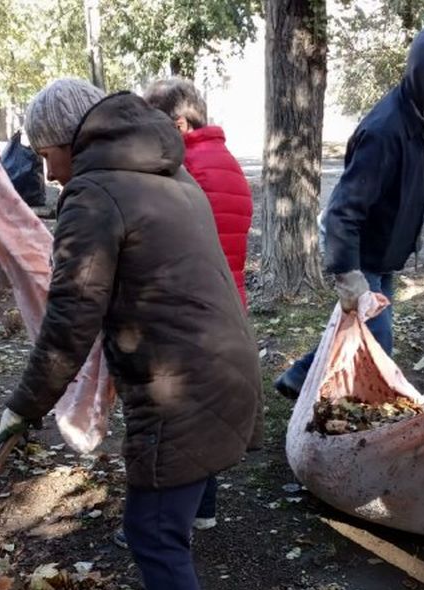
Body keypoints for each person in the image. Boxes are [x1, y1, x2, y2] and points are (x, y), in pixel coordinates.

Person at [0, 79, 262, 590]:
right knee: (165, 530)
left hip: (182, 387)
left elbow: (71, 317)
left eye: (48, 154)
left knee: (154, 535)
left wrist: (24, 407)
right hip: (225, 365)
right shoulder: (170, 171)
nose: (47, 173)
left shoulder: (93, 194)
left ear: (72, 141)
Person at [274, 24, 424, 399]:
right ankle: (364, 416)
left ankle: (300, 377)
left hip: (386, 253)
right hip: (362, 257)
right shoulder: (385, 131)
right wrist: (349, 276)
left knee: (361, 334)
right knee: (377, 343)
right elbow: (342, 212)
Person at [143, 77, 254, 532]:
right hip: (229, 309)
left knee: (177, 421)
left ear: (179, 124)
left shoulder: (184, 170)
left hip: (189, 314)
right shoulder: (226, 162)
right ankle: (204, 508)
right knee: (206, 415)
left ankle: (172, 518)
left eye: (152, 125)